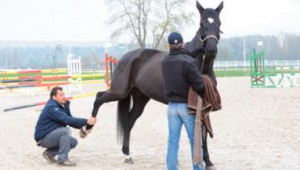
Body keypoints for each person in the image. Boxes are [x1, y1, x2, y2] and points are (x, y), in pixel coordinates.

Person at [161, 32, 205, 170]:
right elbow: (200, 85)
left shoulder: (164, 62)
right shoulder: (188, 62)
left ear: (169, 45)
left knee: (173, 142)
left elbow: (180, 57)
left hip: (172, 107)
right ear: (183, 44)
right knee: (195, 141)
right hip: (187, 107)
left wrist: (196, 51)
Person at [34, 86, 96, 167]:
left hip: (51, 135)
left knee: (73, 142)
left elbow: (70, 121)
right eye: (61, 95)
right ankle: (62, 159)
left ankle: (49, 153)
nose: (64, 97)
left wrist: (85, 126)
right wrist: (86, 121)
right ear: (54, 97)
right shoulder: (51, 107)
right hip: (43, 138)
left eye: (64, 94)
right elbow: (66, 119)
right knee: (65, 131)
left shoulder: (60, 105)